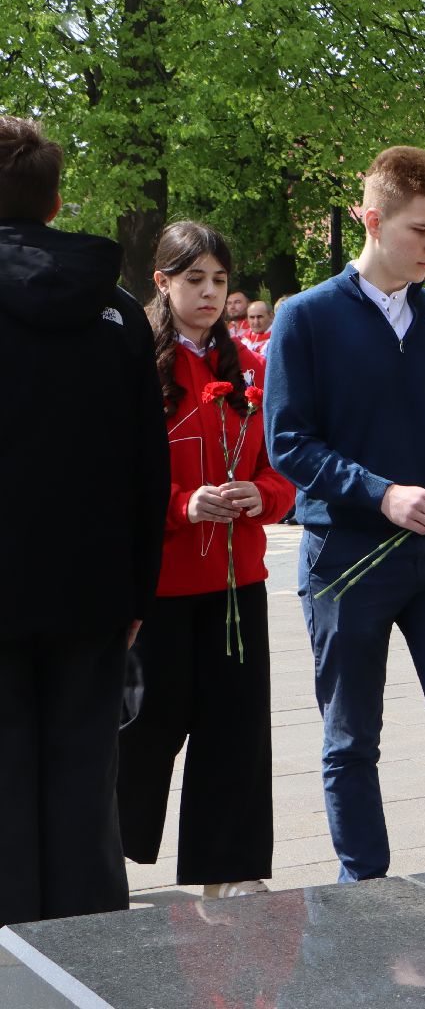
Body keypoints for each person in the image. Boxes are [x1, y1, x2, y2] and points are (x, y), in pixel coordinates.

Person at [264, 146, 425, 882]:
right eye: (420, 230)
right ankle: (363, 890)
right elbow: (288, 443)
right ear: (371, 220)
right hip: (347, 558)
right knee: (351, 740)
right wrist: (381, 492)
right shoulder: (305, 318)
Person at [0, 116, 168, 927]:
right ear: (57, 202)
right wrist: (138, 590)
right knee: (84, 784)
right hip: (94, 586)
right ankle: (88, 953)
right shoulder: (120, 313)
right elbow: (148, 466)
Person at [119, 221, 296, 899]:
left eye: (219, 280)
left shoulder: (250, 367)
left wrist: (263, 494)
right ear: (161, 282)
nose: (210, 293)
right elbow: (112, 476)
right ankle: (106, 854)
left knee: (236, 727)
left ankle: (229, 870)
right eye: (194, 279)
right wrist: (180, 505)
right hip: (159, 584)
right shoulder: (132, 364)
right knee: (145, 724)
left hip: (236, 581)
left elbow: (282, 467)